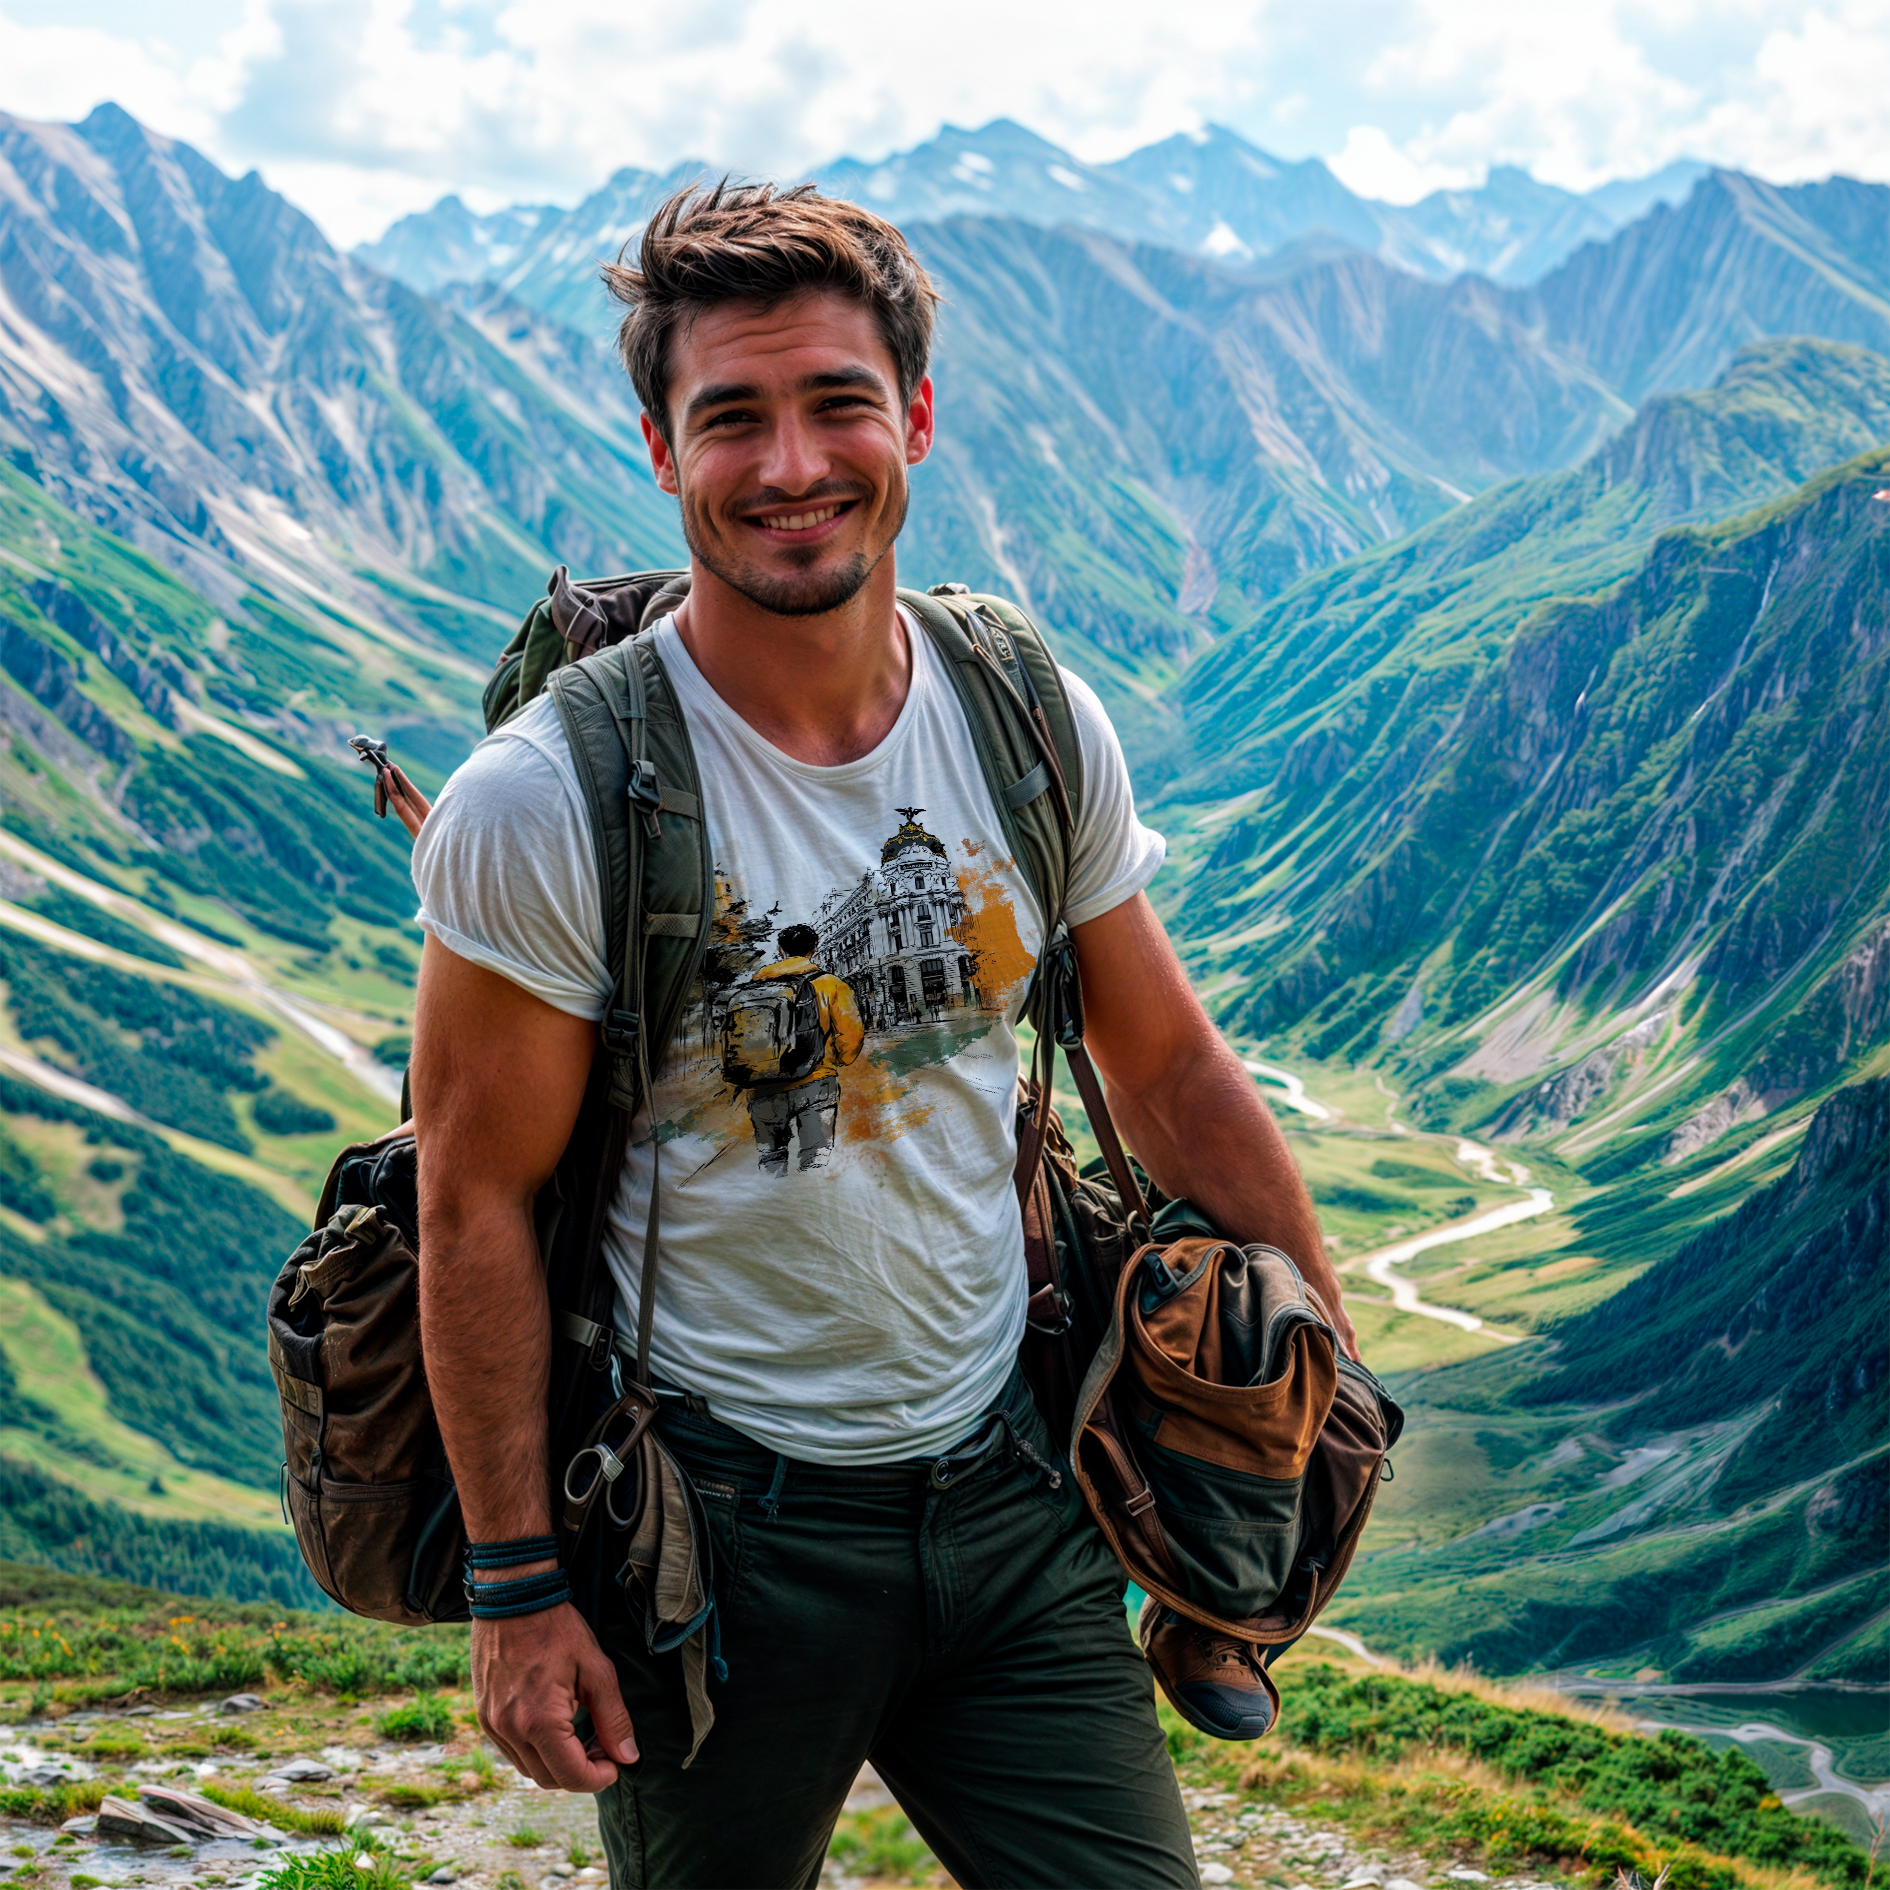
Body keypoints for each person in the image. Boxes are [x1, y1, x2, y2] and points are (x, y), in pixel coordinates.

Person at [405, 179, 1357, 1890]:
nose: (791, 466)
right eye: (732, 419)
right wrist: (519, 1586)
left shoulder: (1023, 715)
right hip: (718, 1539)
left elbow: (1165, 1063)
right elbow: (470, 1203)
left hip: (1013, 1491)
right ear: (658, 448)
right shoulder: (547, 800)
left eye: (838, 402)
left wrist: (1328, 1373)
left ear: (912, 414)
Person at [729, 922, 864, 1174]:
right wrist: (832, 1059)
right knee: (815, 1155)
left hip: (762, 1084)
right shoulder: (832, 984)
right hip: (816, 1081)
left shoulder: (755, 987)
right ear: (814, 949)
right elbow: (851, 1036)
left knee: (770, 1157)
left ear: (780, 950)